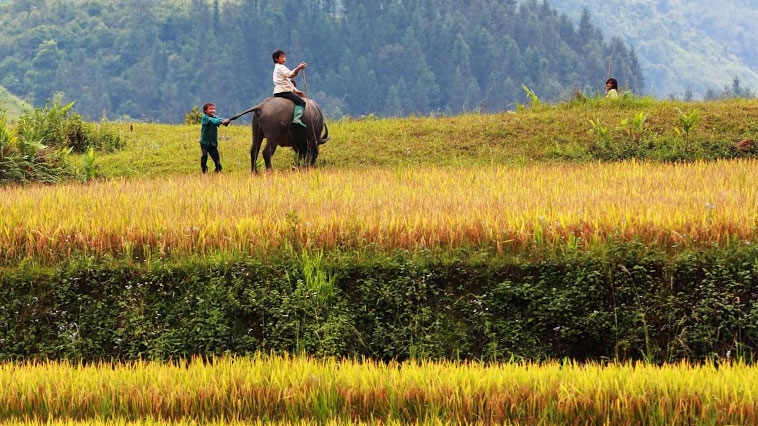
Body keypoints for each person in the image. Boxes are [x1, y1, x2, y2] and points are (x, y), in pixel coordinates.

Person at [272, 49, 307, 127]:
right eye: (281, 57)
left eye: (284, 57)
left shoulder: (277, 68)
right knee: (301, 103)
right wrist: (299, 68)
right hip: (284, 92)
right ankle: (297, 119)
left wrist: (297, 92)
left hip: (277, 92)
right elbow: (290, 74)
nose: (284, 59)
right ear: (276, 59)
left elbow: (288, 82)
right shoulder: (280, 67)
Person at [199, 102, 230, 174]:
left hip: (213, 143)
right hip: (204, 142)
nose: (213, 110)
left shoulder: (216, 117)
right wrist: (222, 121)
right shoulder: (205, 117)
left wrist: (226, 121)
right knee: (204, 156)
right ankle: (204, 170)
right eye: (211, 109)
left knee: (216, 158)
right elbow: (213, 121)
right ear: (205, 110)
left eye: (214, 109)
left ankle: (218, 169)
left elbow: (219, 119)